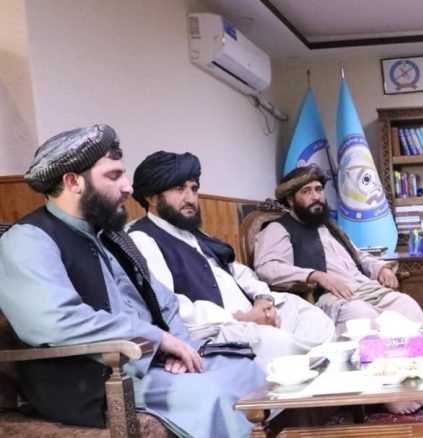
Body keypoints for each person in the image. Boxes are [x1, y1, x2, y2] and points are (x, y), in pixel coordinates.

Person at [0, 125, 265, 437]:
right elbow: (54, 320)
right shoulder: (29, 239)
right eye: (114, 176)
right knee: (214, 393)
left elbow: (164, 301)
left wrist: (178, 347)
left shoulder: (111, 236)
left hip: (150, 362)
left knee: (248, 370)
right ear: (72, 182)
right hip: (96, 378)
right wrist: (157, 339)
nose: (127, 187)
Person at [127, 151, 335, 366]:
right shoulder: (143, 239)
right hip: (215, 330)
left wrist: (263, 299)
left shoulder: (195, 234)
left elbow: (239, 272)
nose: (190, 198)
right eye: (179, 189)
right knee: (276, 342)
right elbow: (170, 307)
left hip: (250, 314)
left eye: (194, 189)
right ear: (152, 198)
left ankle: (315, 372)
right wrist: (240, 319)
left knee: (312, 317)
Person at [254, 164, 423, 414]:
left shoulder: (329, 226)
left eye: (318, 189)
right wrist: (313, 275)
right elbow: (267, 267)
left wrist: (380, 268)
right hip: (327, 297)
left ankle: (418, 382)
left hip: (365, 288)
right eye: (306, 191)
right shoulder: (278, 229)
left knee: (407, 306)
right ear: (290, 199)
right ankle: (383, 393)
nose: (316, 196)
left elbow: (359, 256)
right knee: (362, 317)